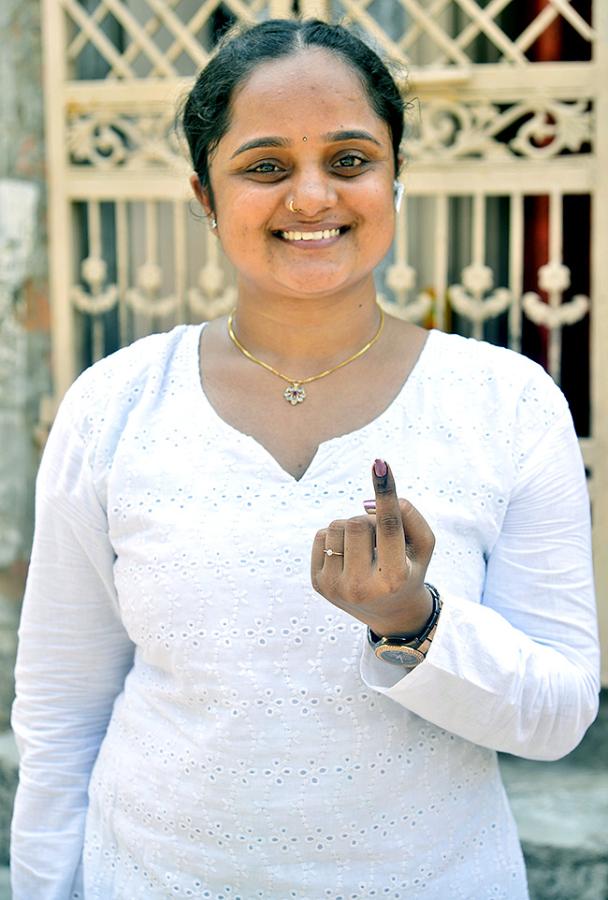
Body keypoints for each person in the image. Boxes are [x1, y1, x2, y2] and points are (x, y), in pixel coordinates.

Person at [11, 17, 599, 900]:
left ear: (396, 178)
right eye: (266, 166)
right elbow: (62, 709)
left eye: (351, 160)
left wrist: (415, 622)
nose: (313, 197)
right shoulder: (115, 404)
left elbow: (556, 717)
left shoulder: (506, 404)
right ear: (205, 196)